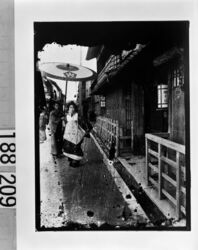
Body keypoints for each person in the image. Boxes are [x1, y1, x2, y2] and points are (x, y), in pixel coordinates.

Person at [62, 101, 85, 167]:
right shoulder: (66, 116)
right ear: (68, 108)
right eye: (70, 107)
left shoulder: (77, 115)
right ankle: (71, 159)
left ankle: (76, 161)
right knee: (68, 147)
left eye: (73, 107)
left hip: (75, 134)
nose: (71, 108)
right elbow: (64, 125)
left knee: (76, 147)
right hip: (68, 135)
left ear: (75, 108)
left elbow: (81, 123)